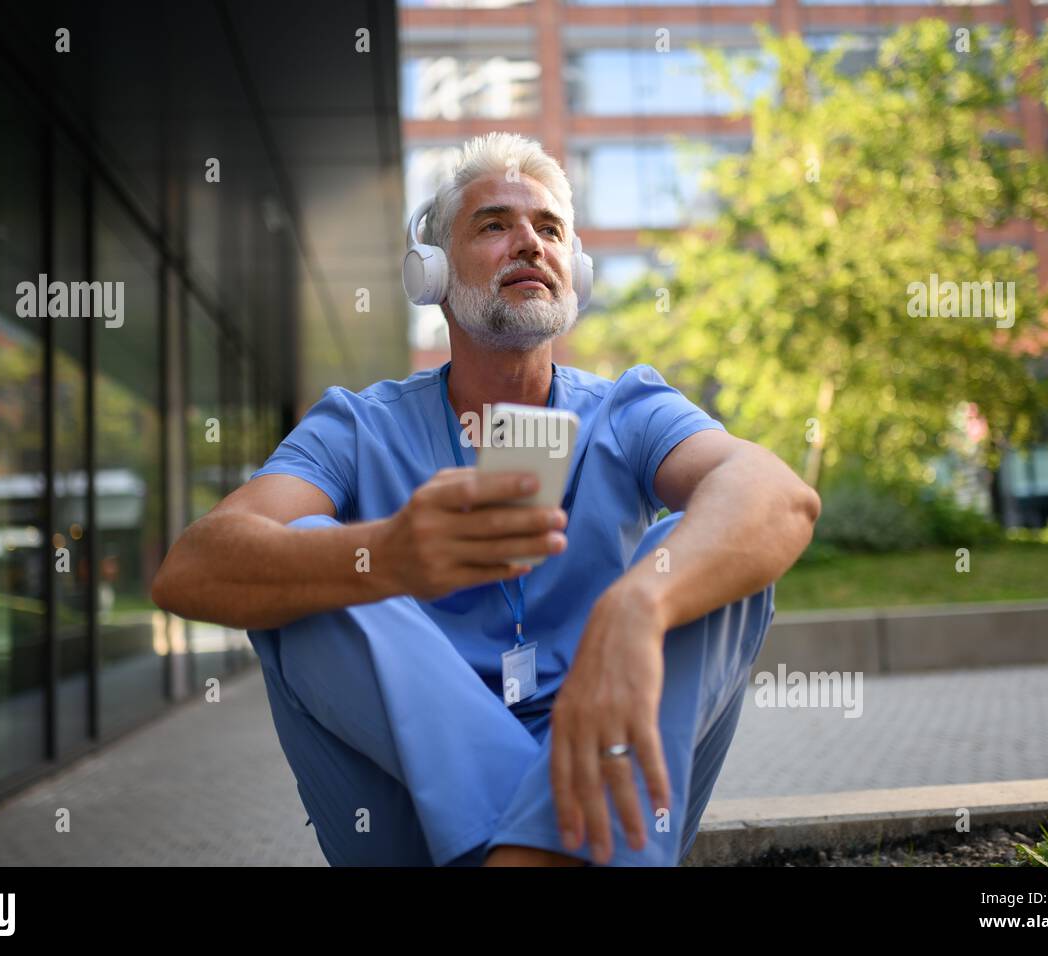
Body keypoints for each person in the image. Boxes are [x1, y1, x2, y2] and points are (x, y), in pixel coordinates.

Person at [151, 131, 821, 867]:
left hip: (604, 775)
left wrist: (639, 606)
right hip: (423, 823)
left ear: (575, 275)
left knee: (706, 556)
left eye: (550, 228)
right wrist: (388, 557)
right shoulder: (357, 425)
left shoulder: (629, 410)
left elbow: (779, 497)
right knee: (311, 561)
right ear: (431, 273)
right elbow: (191, 569)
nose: (529, 242)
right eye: (496, 224)